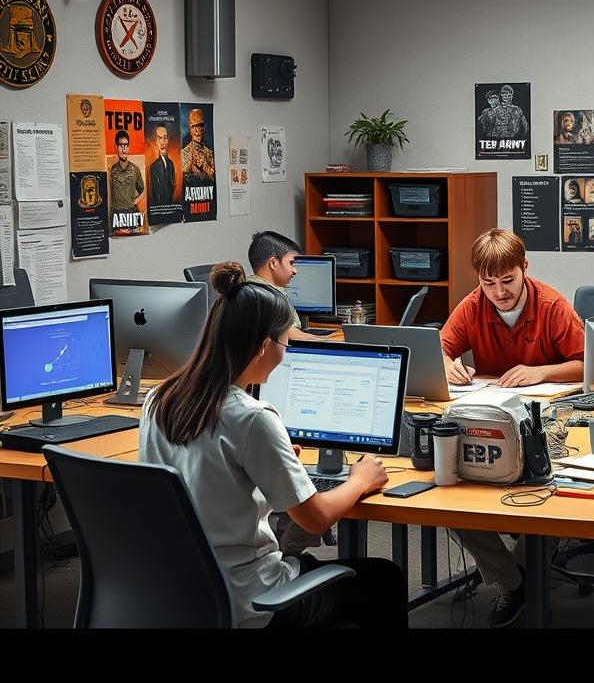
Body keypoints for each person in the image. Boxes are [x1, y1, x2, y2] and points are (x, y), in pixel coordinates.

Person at [139, 262, 406, 629]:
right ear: (265, 345)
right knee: (383, 578)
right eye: (285, 342)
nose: (285, 353)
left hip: (175, 592)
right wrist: (361, 479)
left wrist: (272, 465)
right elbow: (314, 518)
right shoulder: (252, 417)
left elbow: (206, 476)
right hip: (250, 599)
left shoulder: (158, 399)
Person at [440, 228, 584, 627]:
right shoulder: (472, 306)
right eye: (489, 283)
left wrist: (541, 372)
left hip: (549, 424)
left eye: (508, 281)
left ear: (525, 268)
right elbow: (440, 344)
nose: (500, 292)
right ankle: (515, 579)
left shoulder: (551, 305)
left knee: (555, 493)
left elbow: (588, 363)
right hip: (487, 418)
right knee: (448, 495)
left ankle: (515, 579)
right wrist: (448, 362)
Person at [247, 230, 325, 343]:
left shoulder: (249, 287)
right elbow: (293, 336)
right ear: (273, 263)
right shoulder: (266, 297)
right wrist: (335, 342)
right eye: (291, 263)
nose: (295, 271)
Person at [110, 129, 145, 219]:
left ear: (129, 147)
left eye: (126, 145)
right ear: (116, 147)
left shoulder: (135, 169)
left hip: (131, 213)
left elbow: (142, 190)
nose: (124, 149)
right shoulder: (112, 169)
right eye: (121, 145)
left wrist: (134, 202)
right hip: (116, 215)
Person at [182, 108, 215, 185]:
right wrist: (191, 162)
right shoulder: (184, 152)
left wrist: (204, 166)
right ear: (190, 128)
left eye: (200, 125)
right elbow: (183, 176)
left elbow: (213, 178)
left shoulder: (209, 153)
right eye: (194, 126)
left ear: (203, 128)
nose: (197, 129)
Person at [148, 125, 175, 206]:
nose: (162, 141)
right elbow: (155, 193)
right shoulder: (153, 166)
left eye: (165, 137)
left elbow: (172, 187)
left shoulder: (171, 164)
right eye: (159, 138)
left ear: (168, 139)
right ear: (155, 140)